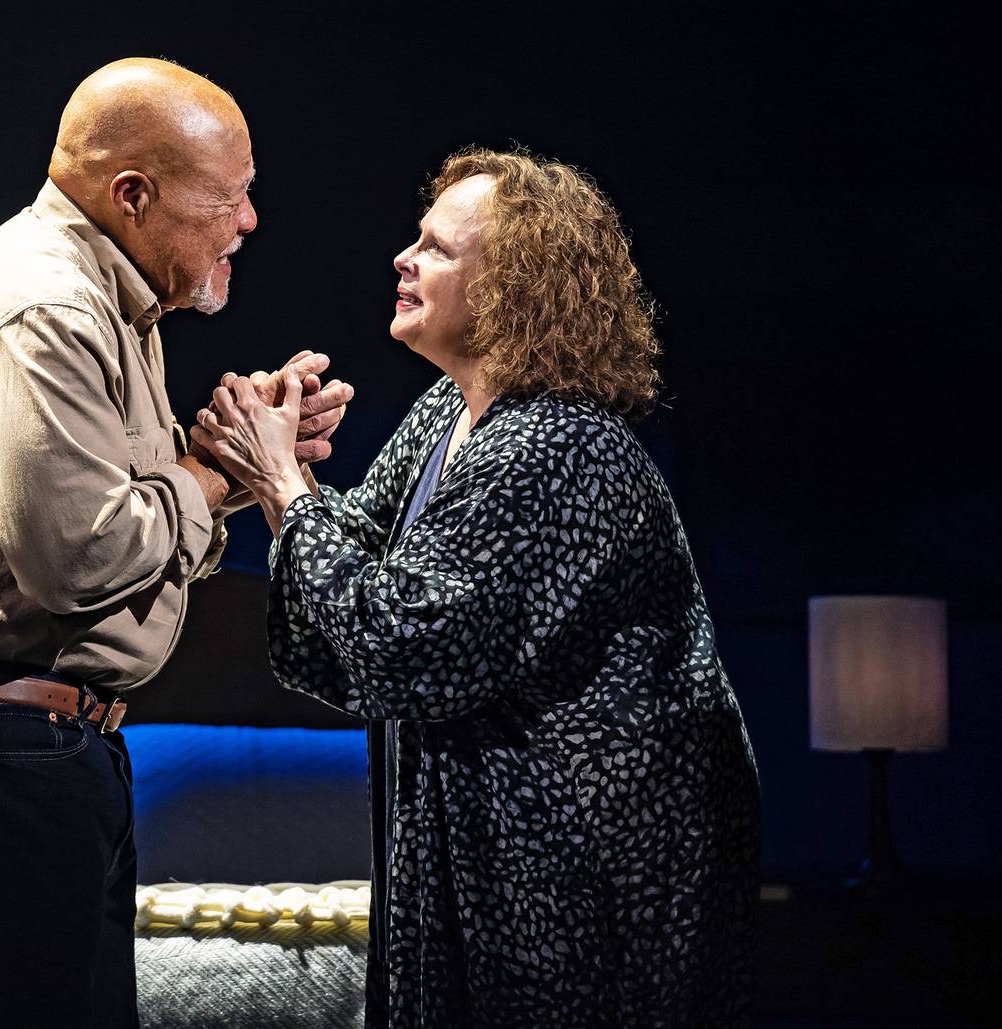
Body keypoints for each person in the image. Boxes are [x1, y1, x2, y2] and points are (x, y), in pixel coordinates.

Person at [0, 58, 351, 1028]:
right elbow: (85, 563)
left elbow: (120, 525)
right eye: (227, 197)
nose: (249, 222)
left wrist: (220, 467)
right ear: (134, 195)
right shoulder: (46, 308)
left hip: (24, 749)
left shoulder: (113, 303)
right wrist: (225, 475)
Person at [191, 148, 761, 1028]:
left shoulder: (557, 448)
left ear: (512, 290)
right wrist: (265, 468)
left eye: (438, 249)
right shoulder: (443, 417)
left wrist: (283, 486)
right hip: (484, 862)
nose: (403, 259)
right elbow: (352, 580)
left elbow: (401, 643)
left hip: (581, 882)